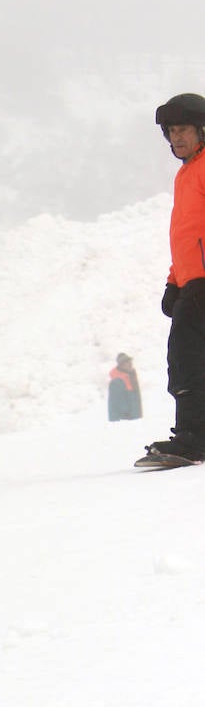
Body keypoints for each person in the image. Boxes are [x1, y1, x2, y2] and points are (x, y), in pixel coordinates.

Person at [138, 93, 205, 465]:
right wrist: (175, 280)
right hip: (193, 282)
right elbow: (187, 234)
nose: (177, 138)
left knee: (187, 357)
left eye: (184, 130)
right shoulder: (186, 174)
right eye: (172, 131)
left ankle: (194, 438)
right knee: (190, 357)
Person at [108, 353, 142, 421]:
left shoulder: (131, 376)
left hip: (134, 419)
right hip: (124, 421)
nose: (130, 364)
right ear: (121, 365)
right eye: (127, 362)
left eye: (130, 362)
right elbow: (113, 405)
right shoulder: (117, 381)